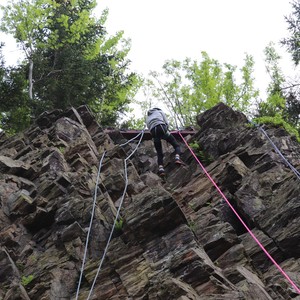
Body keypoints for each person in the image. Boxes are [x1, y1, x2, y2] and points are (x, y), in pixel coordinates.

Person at [146, 108, 182, 176]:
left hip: (153, 131)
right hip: (161, 127)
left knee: (159, 153)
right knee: (176, 145)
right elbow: (166, 121)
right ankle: (177, 158)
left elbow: (149, 127)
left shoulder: (148, 117)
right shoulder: (159, 111)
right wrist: (166, 130)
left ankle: (161, 169)